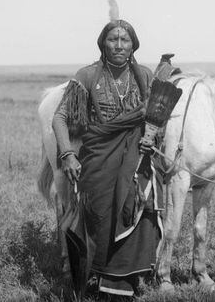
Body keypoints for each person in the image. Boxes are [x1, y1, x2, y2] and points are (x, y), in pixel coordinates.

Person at [52, 19, 163, 298]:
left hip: (136, 158)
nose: (119, 45)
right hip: (98, 158)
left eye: (125, 40)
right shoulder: (88, 75)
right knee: (101, 213)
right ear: (103, 43)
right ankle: (101, 273)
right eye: (112, 39)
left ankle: (128, 276)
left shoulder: (145, 76)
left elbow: (155, 119)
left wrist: (152, 137)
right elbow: (60, 117)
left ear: (133, 45)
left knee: (140, 207)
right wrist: (67, 154)